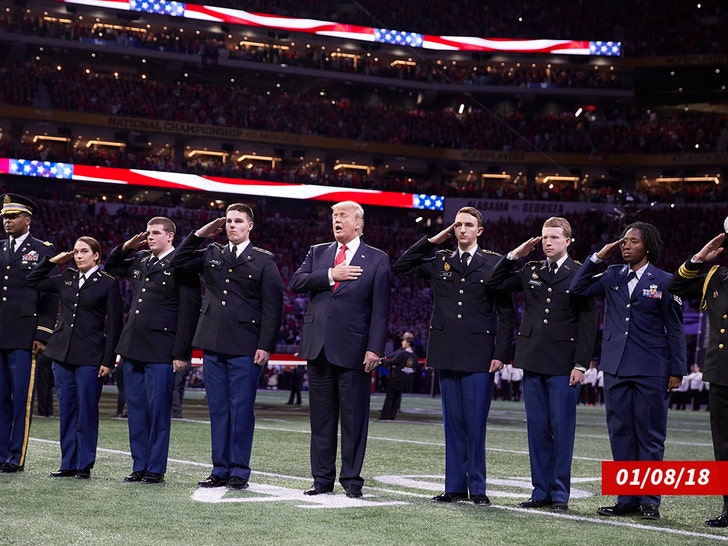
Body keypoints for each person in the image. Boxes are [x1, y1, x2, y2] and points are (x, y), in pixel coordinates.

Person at [393, 206, 514, 506]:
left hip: (478, 354)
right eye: (458, 225)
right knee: (453, 424)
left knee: (475, 425)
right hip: (446, 351)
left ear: (479, 231)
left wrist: (500, 354)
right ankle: (454, 487)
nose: (462, 230)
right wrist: (433, 240)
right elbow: (402, 265)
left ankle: (479, 488)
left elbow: (507, 315)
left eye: (468, 225)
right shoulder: (440, 259)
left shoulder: (494, 263)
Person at [569, 221, 686, 520]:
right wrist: (597, 257)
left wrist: (677, 370)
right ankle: (627, 499)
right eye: (623, 241)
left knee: (649, 436)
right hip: (616, 367)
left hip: (652, 368)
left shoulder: (665, 280)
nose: (626, 245)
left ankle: (650, 501)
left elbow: (674, 328)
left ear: (647, 246)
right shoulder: (612, 275)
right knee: (620, 433)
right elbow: (577, 288)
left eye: (632, 241)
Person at [485, 216, 597, 512]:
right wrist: (514, 256)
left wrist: (581, 364)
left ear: (568, 241)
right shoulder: (530, 269)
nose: (548, 242)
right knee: (536, 429)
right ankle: (540, 491)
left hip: (564, 364)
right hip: (532, 359)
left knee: (562, 431)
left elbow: (588, 323)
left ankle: (559, 495)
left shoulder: (580, 272)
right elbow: (494, 282)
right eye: (545, 237)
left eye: (554, 238)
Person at [170, 203, 283, 491]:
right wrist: (200, 234)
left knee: (241, 409)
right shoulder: (211, 253)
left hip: (245, 345)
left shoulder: (263, 261)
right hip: (212, 342)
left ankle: (239, 471)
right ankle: (219, 469)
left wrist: (266, 345)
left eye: (238, 221)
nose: (232, 225)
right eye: (229, 221)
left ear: (250, 226)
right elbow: (177, 262)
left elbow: (273, 308)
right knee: (218, 409)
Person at [290, 200, 391, 499]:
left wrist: (375, 349)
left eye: (343, 216)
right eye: (334, 216)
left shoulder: (377, 258)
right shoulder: (318, 252)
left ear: (358, 224)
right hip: (318, 347)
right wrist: (332, 275)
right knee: (320, 419)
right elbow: (297, 281)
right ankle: (321, 479)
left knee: (353, 419)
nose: (336, 220)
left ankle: (351, 481)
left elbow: (381, 310)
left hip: (355, 349)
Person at [106, 217, 201, 485]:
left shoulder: (181, 264)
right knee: (135, 410)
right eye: (147, 233)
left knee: (158, 411)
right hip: (132, 345)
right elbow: (111, 266)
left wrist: (182, 353)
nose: (149, 237)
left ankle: (155, 468)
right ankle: (139, 465)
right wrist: (126, 245)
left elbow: (188, 312)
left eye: (155, 233)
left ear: (170, 236)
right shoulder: (141, 260)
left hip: (162, 349)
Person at [25, 236, 122, 479]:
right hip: (61, 354)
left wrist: (108, 360)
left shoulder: (108, 283)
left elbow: (115, 326)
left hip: (90, 356)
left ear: (96, 255)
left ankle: (84, 464)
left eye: (84, 251)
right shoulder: (66, 277)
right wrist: (53, 261)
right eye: (76, 252)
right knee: (67, 410)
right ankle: (68, 463)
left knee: (87, 411)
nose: (78, 256)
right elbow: (32, 281)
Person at [669, 232, 728, 527]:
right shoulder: (715, 275)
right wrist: (698, 259)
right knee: (724, 445)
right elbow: (675, 286)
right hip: (722, 373)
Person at [0, 193, 58, 473]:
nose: (7, 221)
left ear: (27, 219)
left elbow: (49, 297)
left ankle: (15, 456)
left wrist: (43, 333)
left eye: (12, 216)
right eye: (4, 217)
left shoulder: (43, 250)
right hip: (1, 333)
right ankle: (1, 453)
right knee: (0, 398)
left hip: (25, 336)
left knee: (21, 399)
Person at [379, 332, 418, 421]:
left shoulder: (402, 354)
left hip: (395, 379)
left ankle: (386, 416)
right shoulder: (414, 356)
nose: (402, 342)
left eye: (403, 340)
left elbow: (392, 362)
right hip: (404, 381)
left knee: (390, 398)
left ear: (408, 342)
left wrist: (382, 360)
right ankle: (392, 415)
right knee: (396, 399)